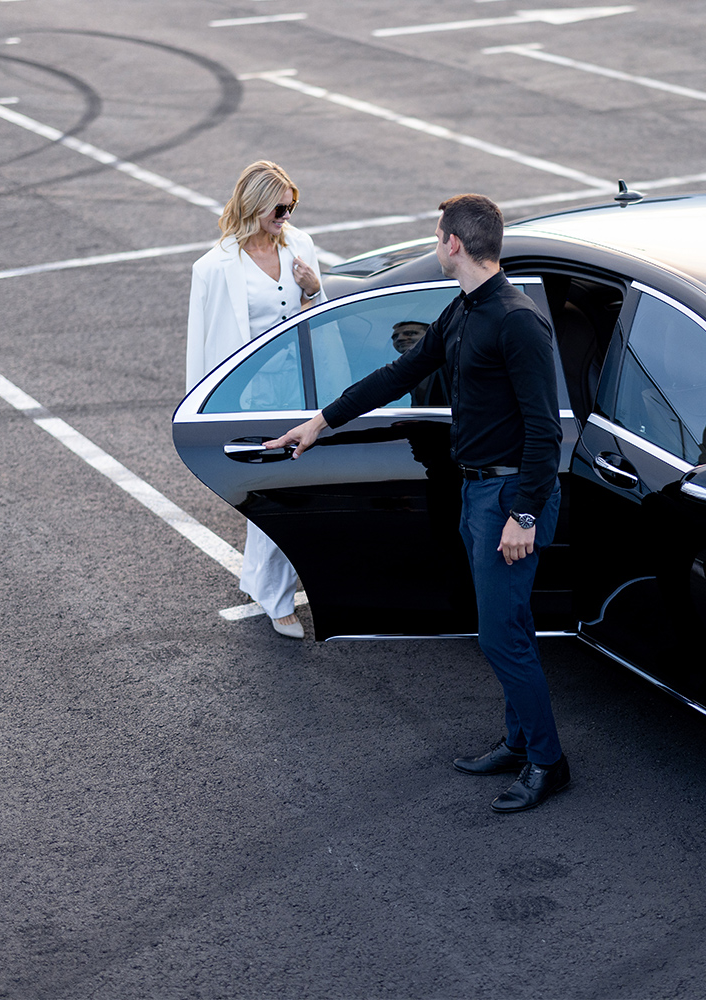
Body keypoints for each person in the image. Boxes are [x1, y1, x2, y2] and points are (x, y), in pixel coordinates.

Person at [266, 194, 569, 813]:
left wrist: (525, 515)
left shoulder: (517, 320)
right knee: (506, 628)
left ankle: (548, 761)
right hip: (478, 491)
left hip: (509, 497)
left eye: (437, 236)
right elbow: (398, 374)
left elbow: (546, 430)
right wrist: (321, 422)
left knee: (501, 637)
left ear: (454, 243)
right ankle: (519, 742)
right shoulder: (464, 310)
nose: (436, 244)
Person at [186, 161, 326, 639]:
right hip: (249, 396)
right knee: (272, 489)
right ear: (254, 205)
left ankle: (265, 584)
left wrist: (314, 290)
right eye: (279, 208)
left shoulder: (300, 245)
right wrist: (202, 410)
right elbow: (202, 343)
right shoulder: (212, 268)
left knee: (291, 486)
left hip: (299, 388)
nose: (287, 216)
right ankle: (276, 597)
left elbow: (315, 317)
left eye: (292, 206)